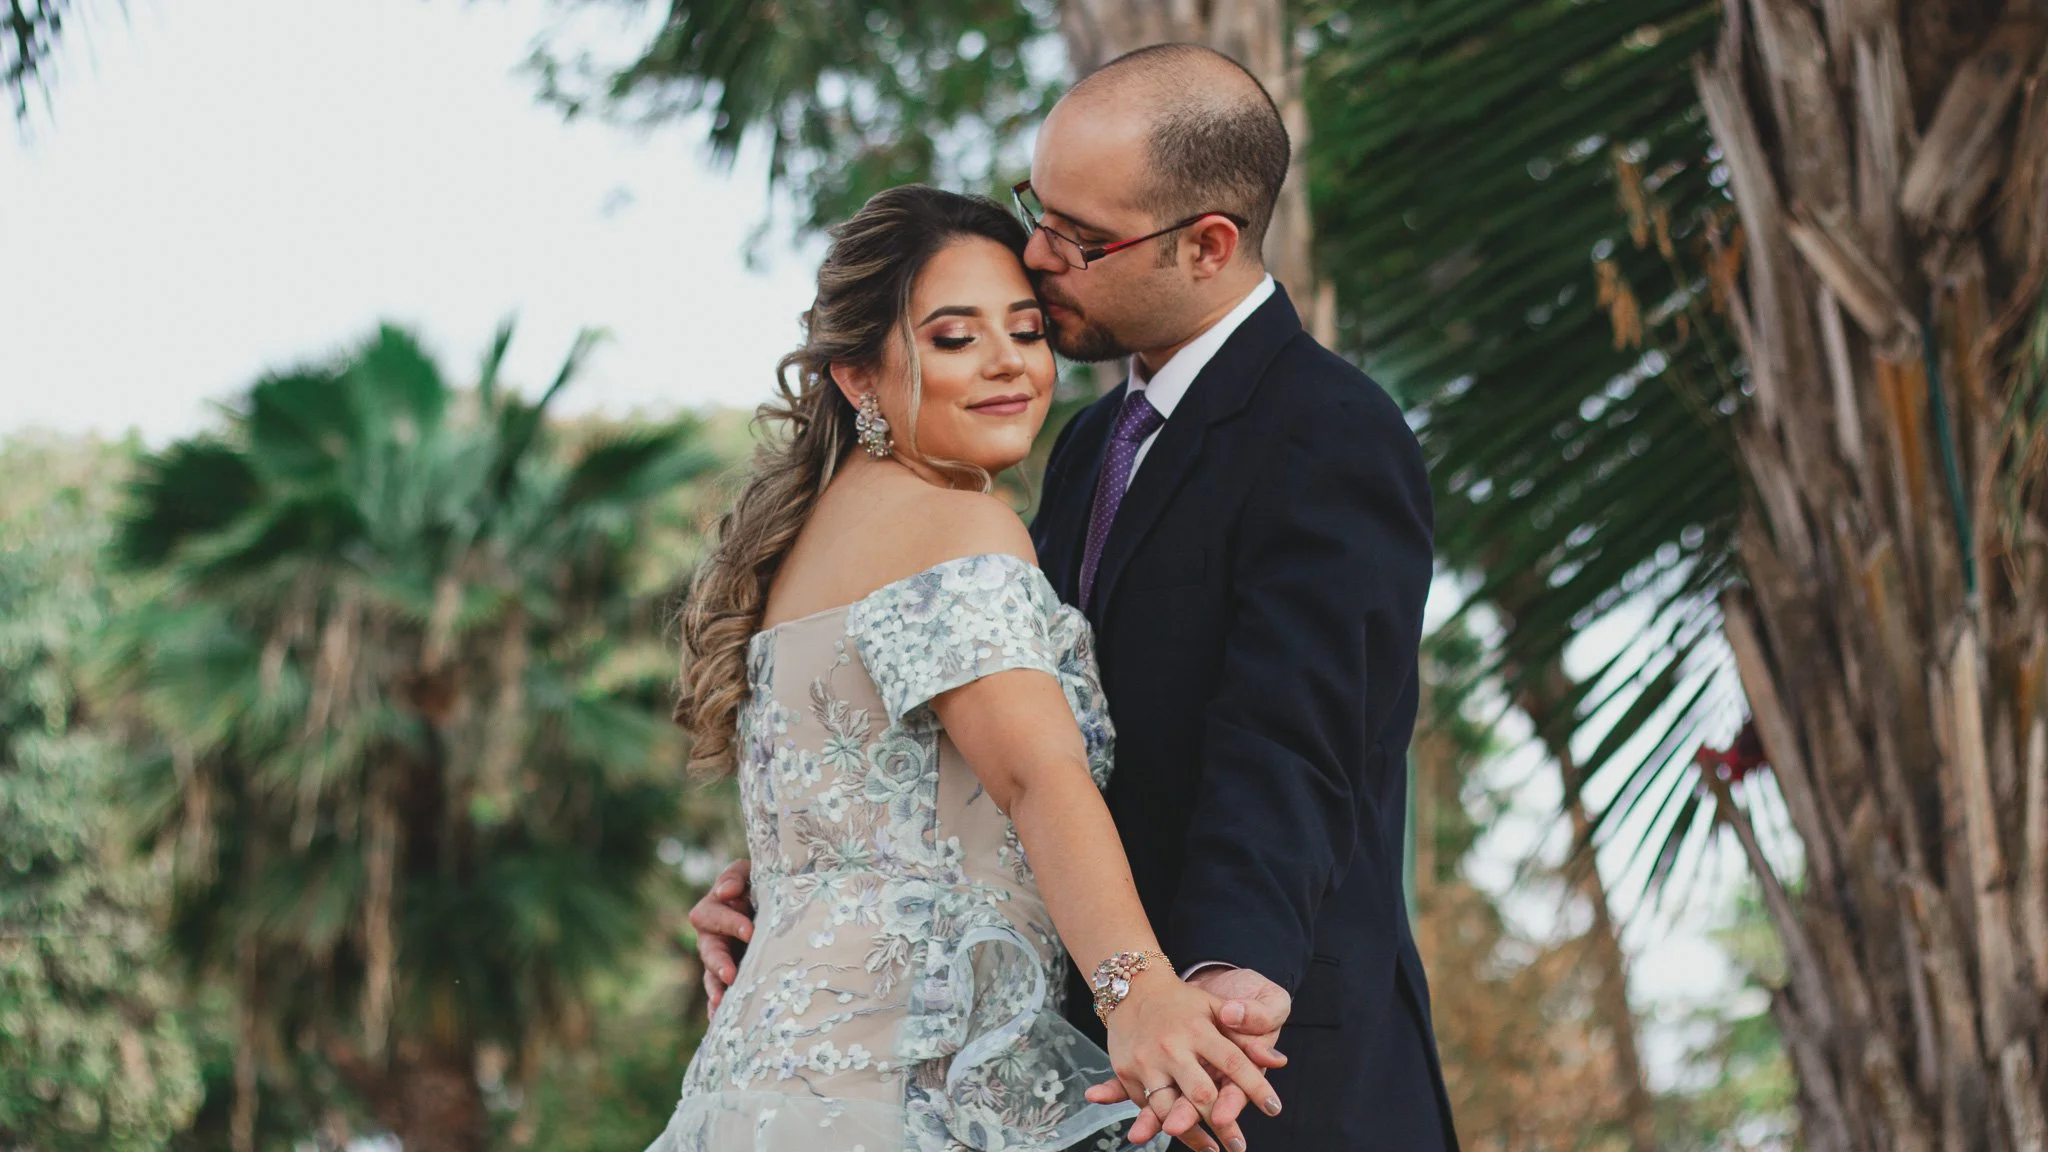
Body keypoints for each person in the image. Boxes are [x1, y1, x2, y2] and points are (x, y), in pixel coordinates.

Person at [694, 44, 1460, 1152]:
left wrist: (1212, 978)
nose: (1038, 258)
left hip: (1260, 1067)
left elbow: (1292, 739)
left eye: (1079, 238)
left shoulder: (1326, 429)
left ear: (1206, 245)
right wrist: (820, 879)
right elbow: (978, 727)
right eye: (1035, 212)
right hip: (1072, 1061)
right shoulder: (1081, 446)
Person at [647, 184, 1284, 1152]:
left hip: (754, 1092)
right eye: (953, 338)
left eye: (1025, 331)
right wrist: (1136, 991)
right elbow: (1035, 774)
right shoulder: (953, 522)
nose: (1007, 365)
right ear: (858, 375)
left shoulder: (802, 547)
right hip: (911, 1093)